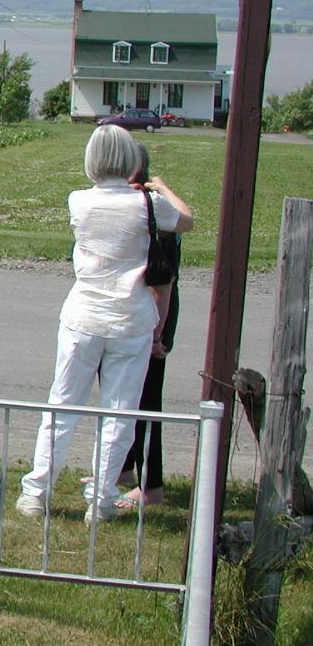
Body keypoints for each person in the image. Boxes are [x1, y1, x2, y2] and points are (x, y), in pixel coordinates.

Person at [17, 125, 192, 523]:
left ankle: (36, 491)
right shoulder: (148, 205)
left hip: (82, 316)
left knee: (62, 404)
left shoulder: (78, 201)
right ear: (131, 159)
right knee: (119, 413)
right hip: (131, 321)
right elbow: (185, 221)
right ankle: (101, 500)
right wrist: (160, 188)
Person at [116, 143, 181, 508]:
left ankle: (152, 486)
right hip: (144, 312)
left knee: (148, 399)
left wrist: (156, 338)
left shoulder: (154, 213)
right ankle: (125, 469)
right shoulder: (146, 208)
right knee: (129, 394)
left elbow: (163, 286)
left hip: (158, 313)